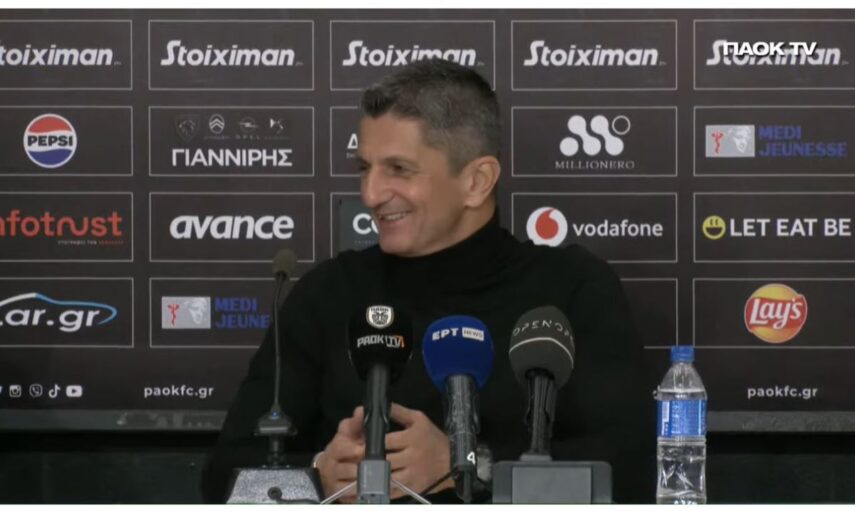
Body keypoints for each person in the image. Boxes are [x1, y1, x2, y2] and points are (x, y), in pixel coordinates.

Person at [202, 59, 654, 504]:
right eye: (364, 168)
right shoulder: (328, 293)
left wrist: (471, 465)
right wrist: (318, 474)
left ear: (476, 181)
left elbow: (633, 470)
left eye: (399, 169)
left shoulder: (571, 290)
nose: (370, 194)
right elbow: (223, 475)